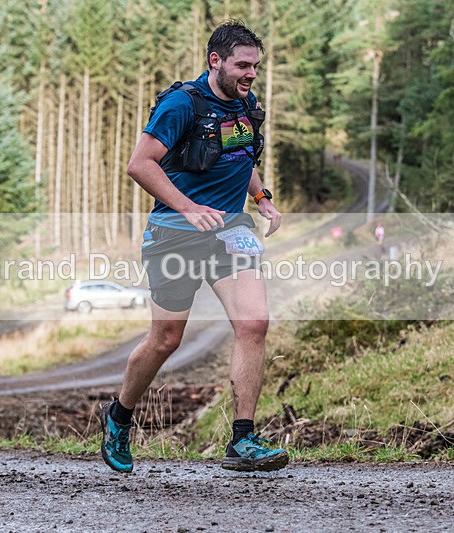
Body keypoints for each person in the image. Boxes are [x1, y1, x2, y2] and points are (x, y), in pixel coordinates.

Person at [99, 20, 287, 473]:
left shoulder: (246, 103)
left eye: (255, 67)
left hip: (230, 233)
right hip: (175, 235)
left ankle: (243, 439)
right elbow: (139, 165)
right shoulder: (181, 104)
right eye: (243, 65)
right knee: (166, 339)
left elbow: (242, 156)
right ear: (215, 61)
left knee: (254, 323)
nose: (250, 75)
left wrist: (261, 198)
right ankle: (119, 417)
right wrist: (187, 208)